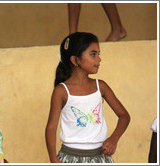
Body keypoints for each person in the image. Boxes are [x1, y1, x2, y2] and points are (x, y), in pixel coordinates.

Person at [45, 32, 130, 163]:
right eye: (93, 54)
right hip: (69, 157)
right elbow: (51, 127)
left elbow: (124, 116)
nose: (99, 59)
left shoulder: (101, 86)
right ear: (75, 60)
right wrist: (53, 159)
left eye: (98, 54)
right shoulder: (61, 91)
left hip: (100, 157)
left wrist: (114, 139)